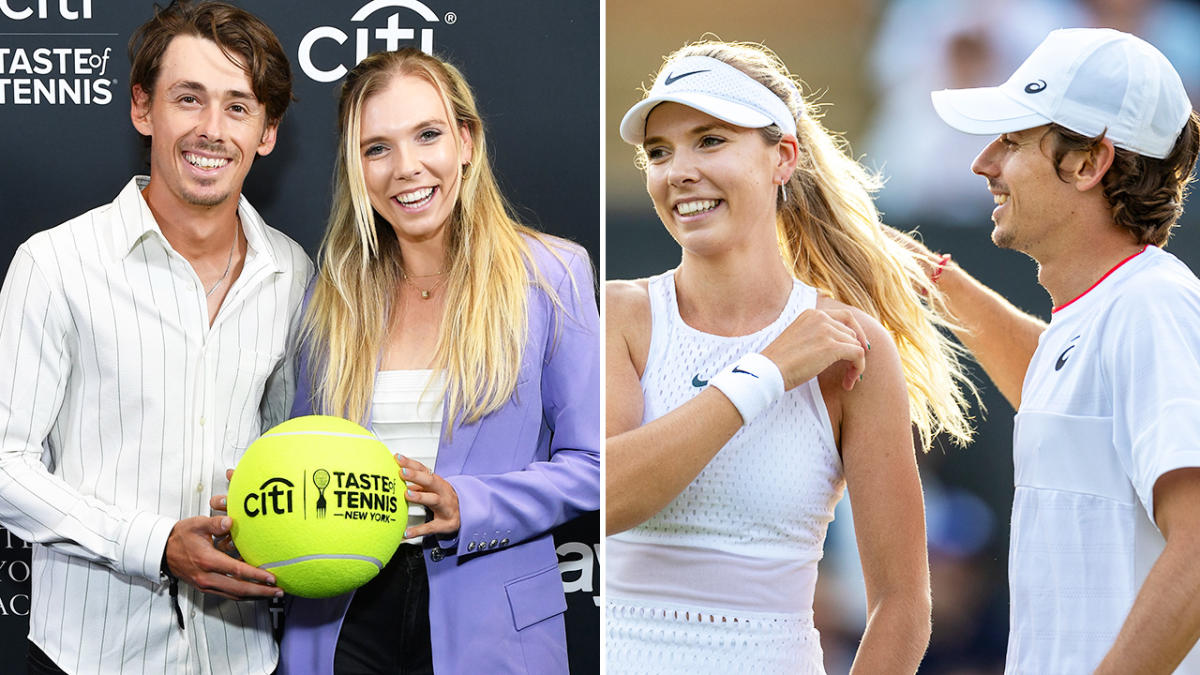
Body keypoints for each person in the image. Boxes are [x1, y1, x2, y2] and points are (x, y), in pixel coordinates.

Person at [605, 40, 975, 673]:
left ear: (783, 157)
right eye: (659, 152)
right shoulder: (619, 315)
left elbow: (903, 604)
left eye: (710, 140)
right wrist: (766, 371)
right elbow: (605, 497)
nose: (679, 171)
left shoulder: (851, 347)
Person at [0, 1, 310, 673]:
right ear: (144, 109)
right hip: (89, 653)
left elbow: (291, 443)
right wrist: (153, 542)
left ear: (267, 131)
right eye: (188, 99)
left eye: (237, 106)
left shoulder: (292, 273)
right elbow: (4, 464)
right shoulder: (54, 265)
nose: (211, 129)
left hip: (243, 654)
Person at [275, 48, 600, 674]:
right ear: (355, 169)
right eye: (377, 148)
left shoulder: (552, 275)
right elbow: (304, 450)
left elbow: (591, 463)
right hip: (341, 620)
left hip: (493, 625)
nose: (407, 168)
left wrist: (467, 505)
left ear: (467, 141)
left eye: (428, 135)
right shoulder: (333, 295)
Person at [906, 27, 1200, 673]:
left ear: (1089, 162)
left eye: (1011, 142)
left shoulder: (1150, 307)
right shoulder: (1111, 311)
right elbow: (1055, 387)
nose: (984, 164)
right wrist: (925, 276)